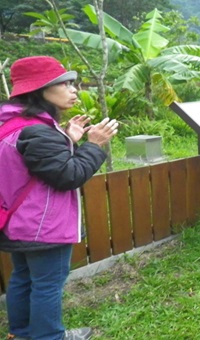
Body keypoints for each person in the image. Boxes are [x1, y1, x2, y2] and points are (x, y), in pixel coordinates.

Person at [0, 56, 118, 340]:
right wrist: (95, 145)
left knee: (23, 279)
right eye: (64, 84)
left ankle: (22, 333)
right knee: (47, 284)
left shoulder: (14, 124)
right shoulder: (37, 131)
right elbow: (68, 176)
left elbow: (38, 166)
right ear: (40, 89)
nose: (73, 89)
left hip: (18, 220)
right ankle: (49, 336)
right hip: (43, 225)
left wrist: (69, 139)